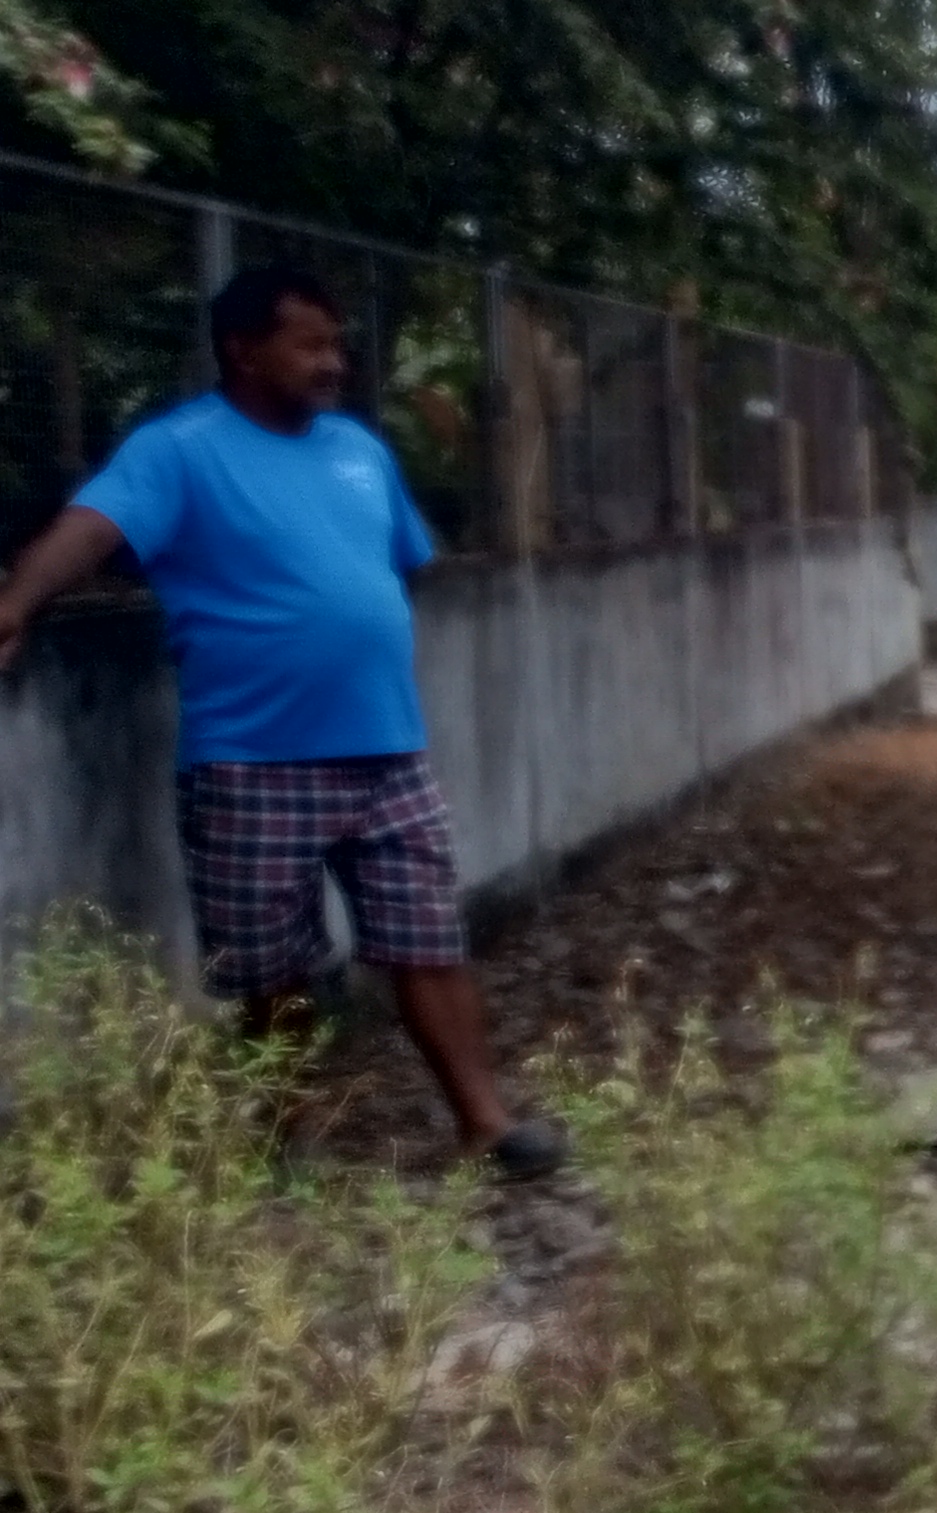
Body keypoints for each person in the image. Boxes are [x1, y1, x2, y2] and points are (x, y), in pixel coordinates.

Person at [0, 262, 565, 1177]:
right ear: (244, 350)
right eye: (310, 345)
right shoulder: (180, 450)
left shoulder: (358, 450)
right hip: (251, 760)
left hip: (387, 751)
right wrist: (15, 604)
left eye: (336, 344)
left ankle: (486, 1123)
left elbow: (397, 564)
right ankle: (288, 1142)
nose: (333, 362)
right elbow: (92, 528)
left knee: (428, 940)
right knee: (272, 969)